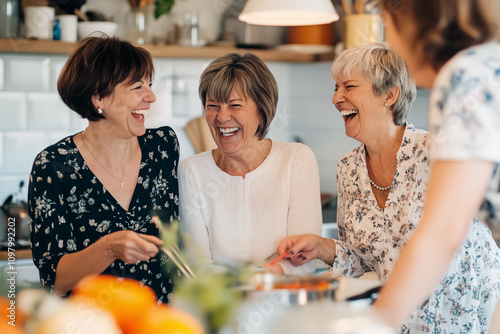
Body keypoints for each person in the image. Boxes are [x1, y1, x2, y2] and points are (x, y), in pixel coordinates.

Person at [277, 43, 500, 333]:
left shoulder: (438, 151)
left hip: (470, 317)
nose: (336, 98)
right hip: (399, 321)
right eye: (335, 88)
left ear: (389, 95)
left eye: (349, 86)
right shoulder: (348, 169)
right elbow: (364, 260)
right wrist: (321, 247)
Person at [370, 0, 500, 330]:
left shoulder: (466, 73)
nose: (390, 43)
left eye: (387, 22)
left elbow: (443, 231)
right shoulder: (489, 62)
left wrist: (373, 325)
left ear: (413, 20)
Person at [28, 36, 180, 303]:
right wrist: (109, 248)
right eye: (137, 87)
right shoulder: (53, 167)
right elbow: (56, 280)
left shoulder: (163, 147)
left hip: (163, 323)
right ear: (98, 96)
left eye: (150, 85)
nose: (151, 97)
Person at [179, 52, 322, 274]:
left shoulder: (297, 159)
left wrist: (265, 278)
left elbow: (305, 259)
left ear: (262, 111)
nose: (222, 117)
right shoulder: (192, 170)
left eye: (235, 105)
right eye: (212, 105)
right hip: (221, 304)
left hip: (283, 300)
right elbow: (197, 267)